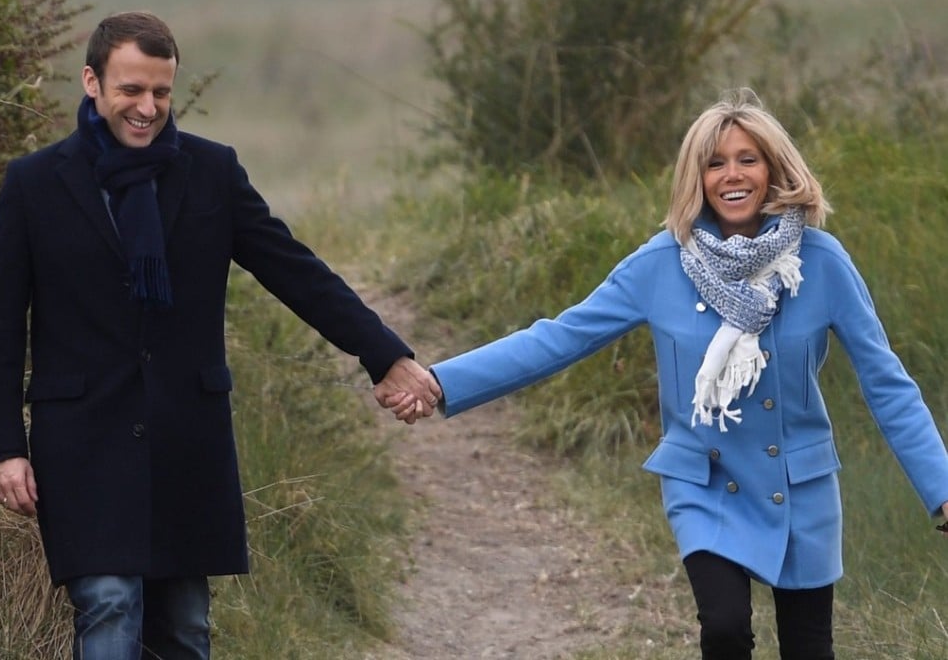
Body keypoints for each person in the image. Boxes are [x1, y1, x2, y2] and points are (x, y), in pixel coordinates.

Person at [403, 89, 948, 659]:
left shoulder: (822, 262)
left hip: (799, 486)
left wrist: (941, 493)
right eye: (715, 163)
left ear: (774, 170)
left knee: (809, 649)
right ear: (697, 177)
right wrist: (443, 382)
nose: (731, 176)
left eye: (747, 159)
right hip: (704, 483)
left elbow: (888, 383)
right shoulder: (660, 263)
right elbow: (558, 338)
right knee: (725, 627)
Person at [0, 10, 441, 660]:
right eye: (131, 90)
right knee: (108, 602)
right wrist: (2, 447)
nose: (148, 107)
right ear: (91, 82)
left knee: (185, 629)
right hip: (81, 443)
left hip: (184, 440)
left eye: (161, 92)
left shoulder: (211, 172)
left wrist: (383, 353)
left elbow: (294, 270)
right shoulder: (34, 184)